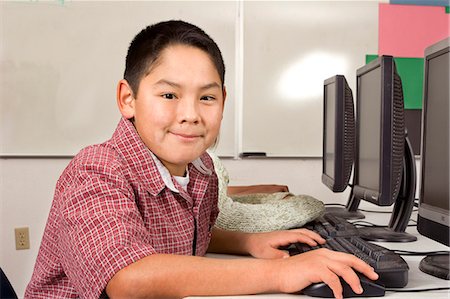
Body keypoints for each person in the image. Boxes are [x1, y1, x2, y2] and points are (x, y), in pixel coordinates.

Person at [25, 20, 378, 299]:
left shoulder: (201, 169)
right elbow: (126, 279)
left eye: (207, 98)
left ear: (223, 102)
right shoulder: (96, 170)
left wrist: (248, 243)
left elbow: (192, 235)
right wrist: (280, 274)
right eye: (169, 95)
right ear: (127, 99)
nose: (191, 114)